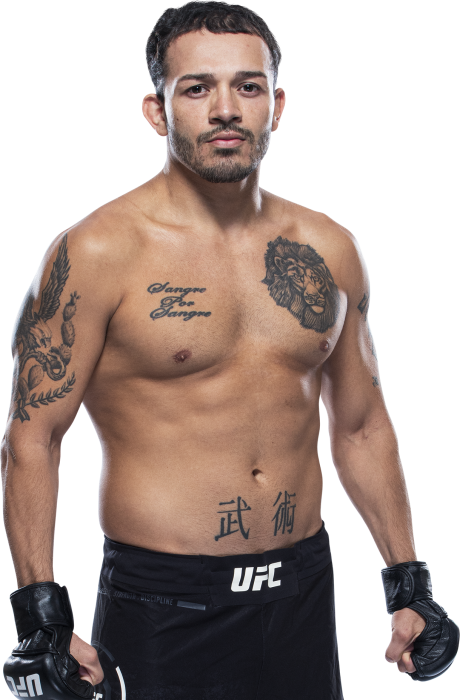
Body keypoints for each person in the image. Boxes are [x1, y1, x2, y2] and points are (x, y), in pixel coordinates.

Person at [2, 2, 458, 699]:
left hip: (302, 592)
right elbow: (32, 437)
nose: (225, 109)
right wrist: (41, 617)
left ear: (277, 105)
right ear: (157, 112)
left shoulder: (328, 248)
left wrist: (409, 583)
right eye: (196, 88)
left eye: (248, 86)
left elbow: (362, 425)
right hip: (163, 605)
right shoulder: (96, 253)